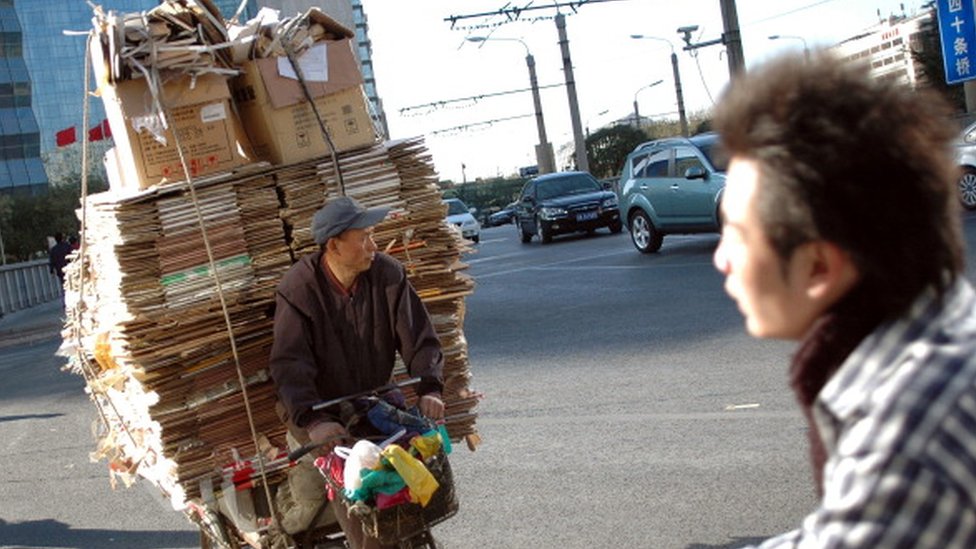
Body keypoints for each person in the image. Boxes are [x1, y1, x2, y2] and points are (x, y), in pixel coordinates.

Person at [711, 51, 976, 547]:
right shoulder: (941, 323)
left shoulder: (911, 425)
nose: (721, 260)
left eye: (738, 236)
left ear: (818, 267)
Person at [269, 196, 446, 549]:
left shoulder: (387, 273)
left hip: (374, 396)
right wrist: (313, 420)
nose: (374, 245)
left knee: (415, 459)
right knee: (351, 484)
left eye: (372, 235)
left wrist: (431, 388)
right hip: (321, 408)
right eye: (364, 237)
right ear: (334, 245)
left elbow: (419, 337)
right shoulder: (299, 288)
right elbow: (290, 364)